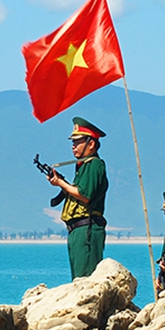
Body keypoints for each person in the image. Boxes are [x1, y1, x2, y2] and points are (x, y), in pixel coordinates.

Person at [44, 117, 109, 279]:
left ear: (91, 144)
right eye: (73, 142)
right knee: (78, 277)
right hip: (78, 229)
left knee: (85, 277)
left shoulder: (94, 164)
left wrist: (61, 183)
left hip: (87, 228)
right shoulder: (84, 166)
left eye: (78, 142)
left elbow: (85, 195)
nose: (73, 146)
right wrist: (61, 184)